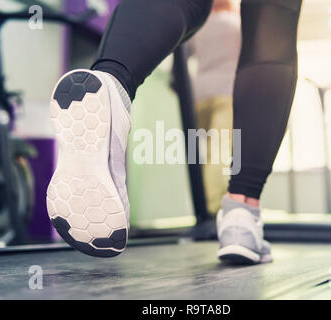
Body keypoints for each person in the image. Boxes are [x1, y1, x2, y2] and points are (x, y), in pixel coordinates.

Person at [47, 0, 302, 264]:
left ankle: (112, 84)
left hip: (202, 93)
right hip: (225, 92)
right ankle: (242, 214)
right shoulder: (229, 23)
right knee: (273, 19)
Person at [189, 0, 240, 216]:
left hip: (199, 96)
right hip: (226, 92)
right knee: (219, 151)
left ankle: (202, 204)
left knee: (203, 154)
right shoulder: (236, 24)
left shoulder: (198, 27)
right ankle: (213, 209)